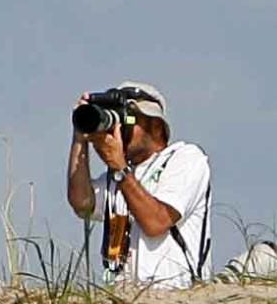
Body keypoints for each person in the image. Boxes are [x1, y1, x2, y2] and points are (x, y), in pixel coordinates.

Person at [64, 81, 212, 290]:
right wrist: (80, 137)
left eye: (128, 121)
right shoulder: (120, 175)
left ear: (157, 126)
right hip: (127, 300)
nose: (120, 129)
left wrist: (120, 168)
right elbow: (82, 202)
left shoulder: (185, 158)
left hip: (178, 297)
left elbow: (157, 222)